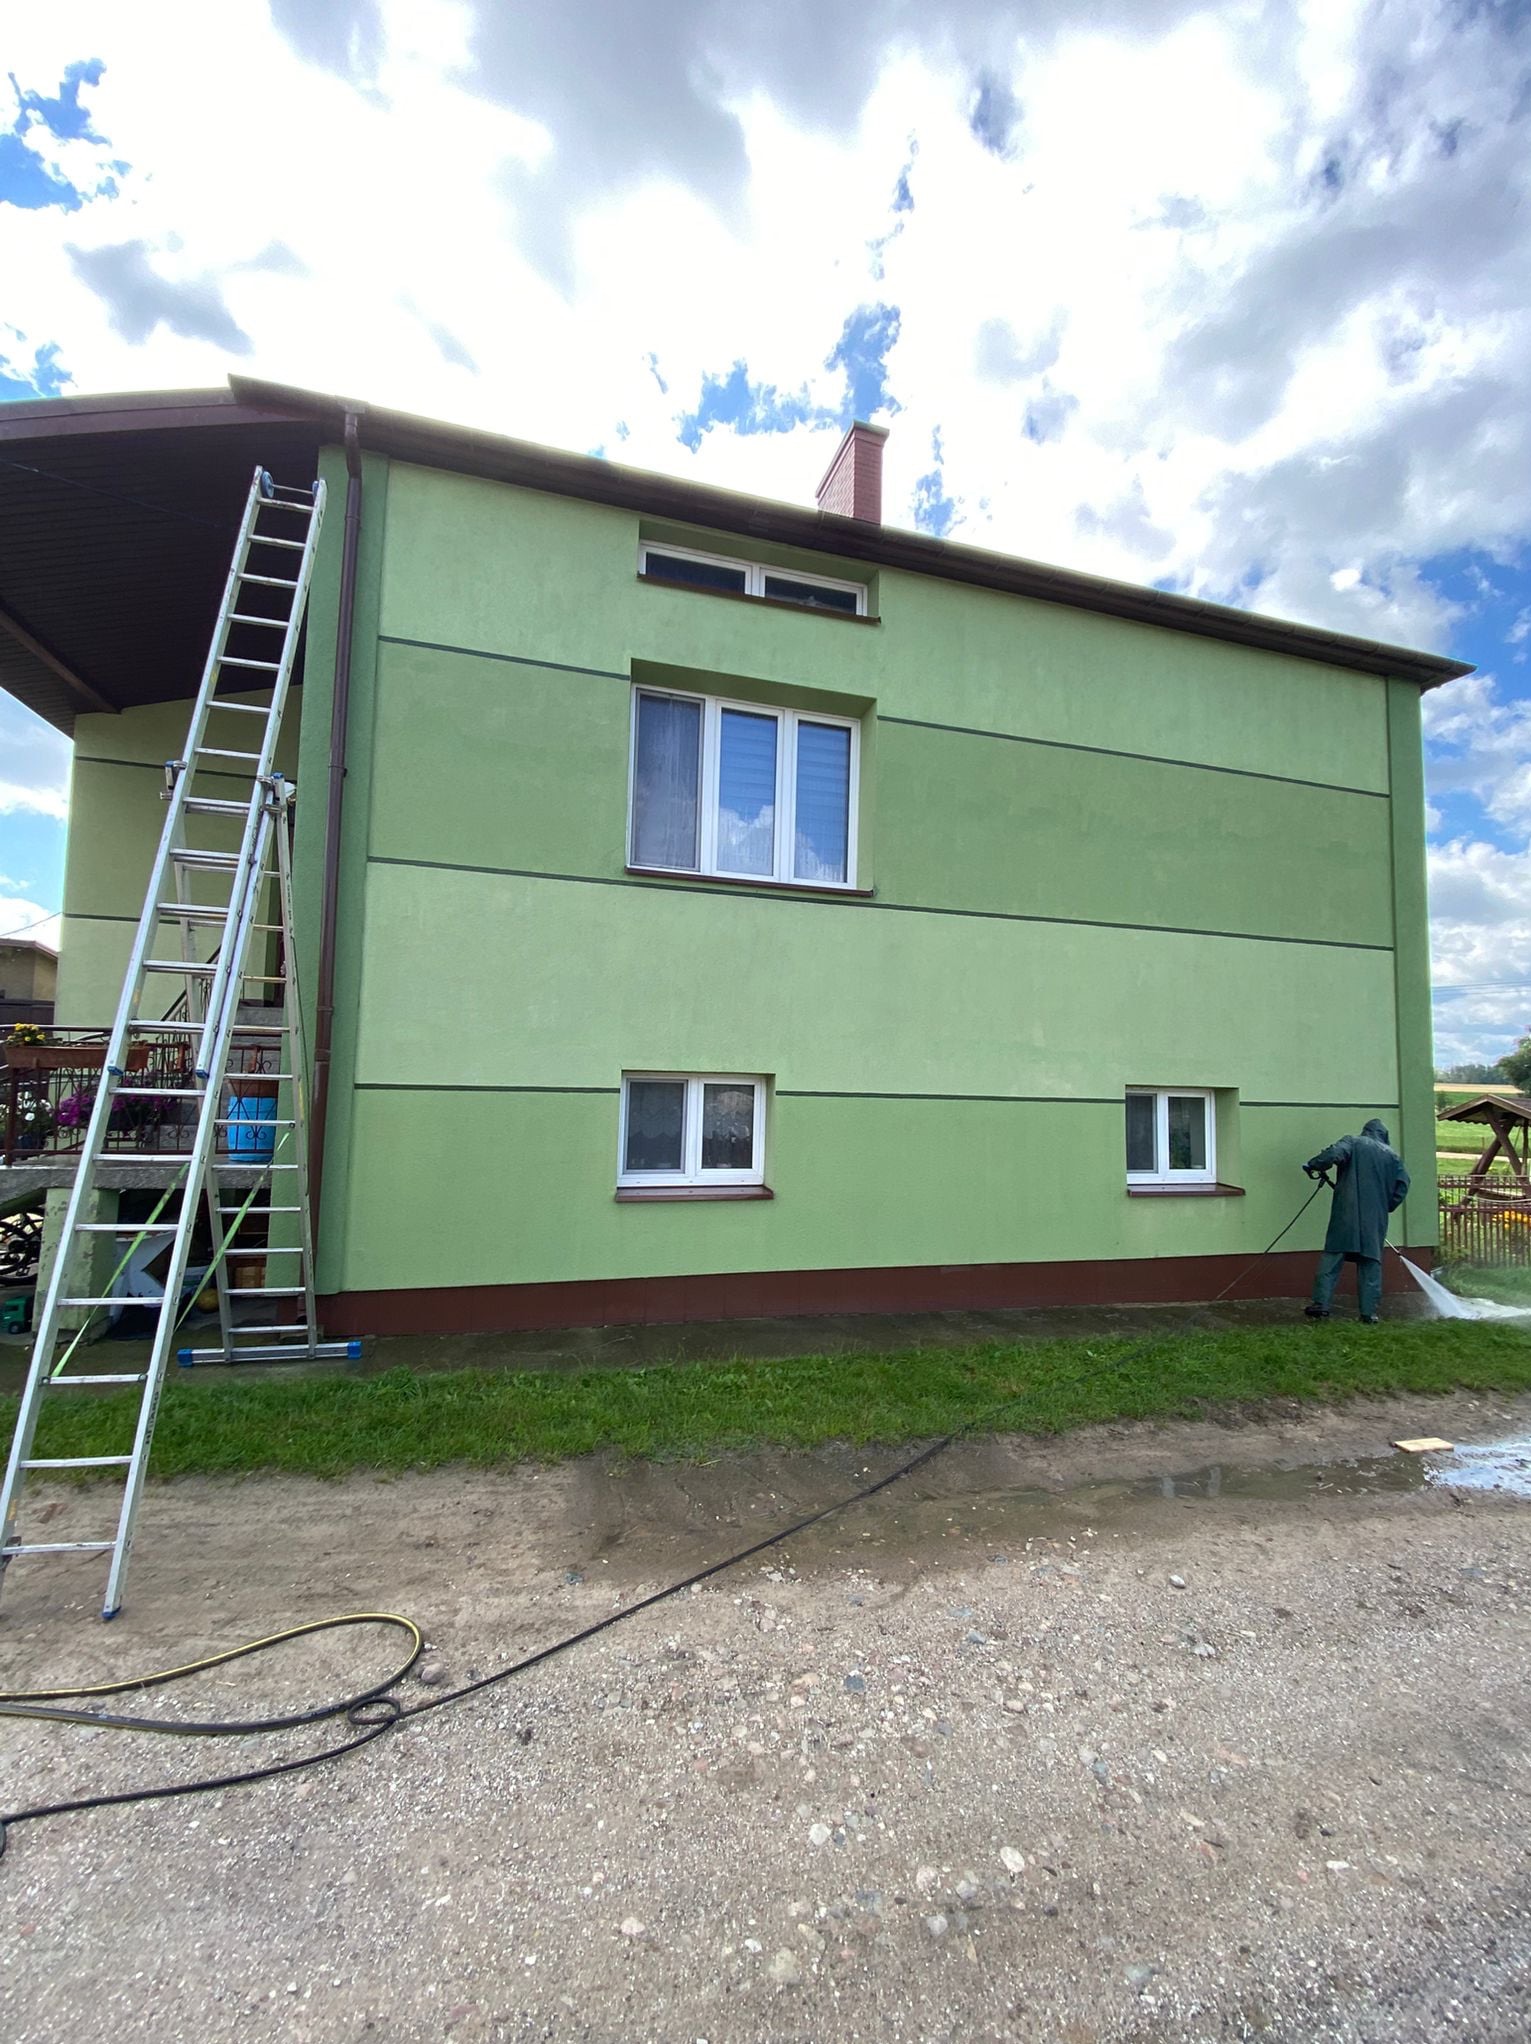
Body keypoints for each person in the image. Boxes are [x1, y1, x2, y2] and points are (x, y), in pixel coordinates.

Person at [1303, 1118, 1410, 1324]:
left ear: (1366, 1131)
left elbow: (1333, 1155)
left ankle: (1321, 1305)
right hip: (1375, 1220)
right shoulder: (1393, 1157)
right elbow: (1403, 1185)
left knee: (1332, 1258)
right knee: (1370, 1263)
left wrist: (1313, 1165)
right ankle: (1368, 1313)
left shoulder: (1352, 1142)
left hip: (1346, 1214)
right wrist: (1387, 1206)